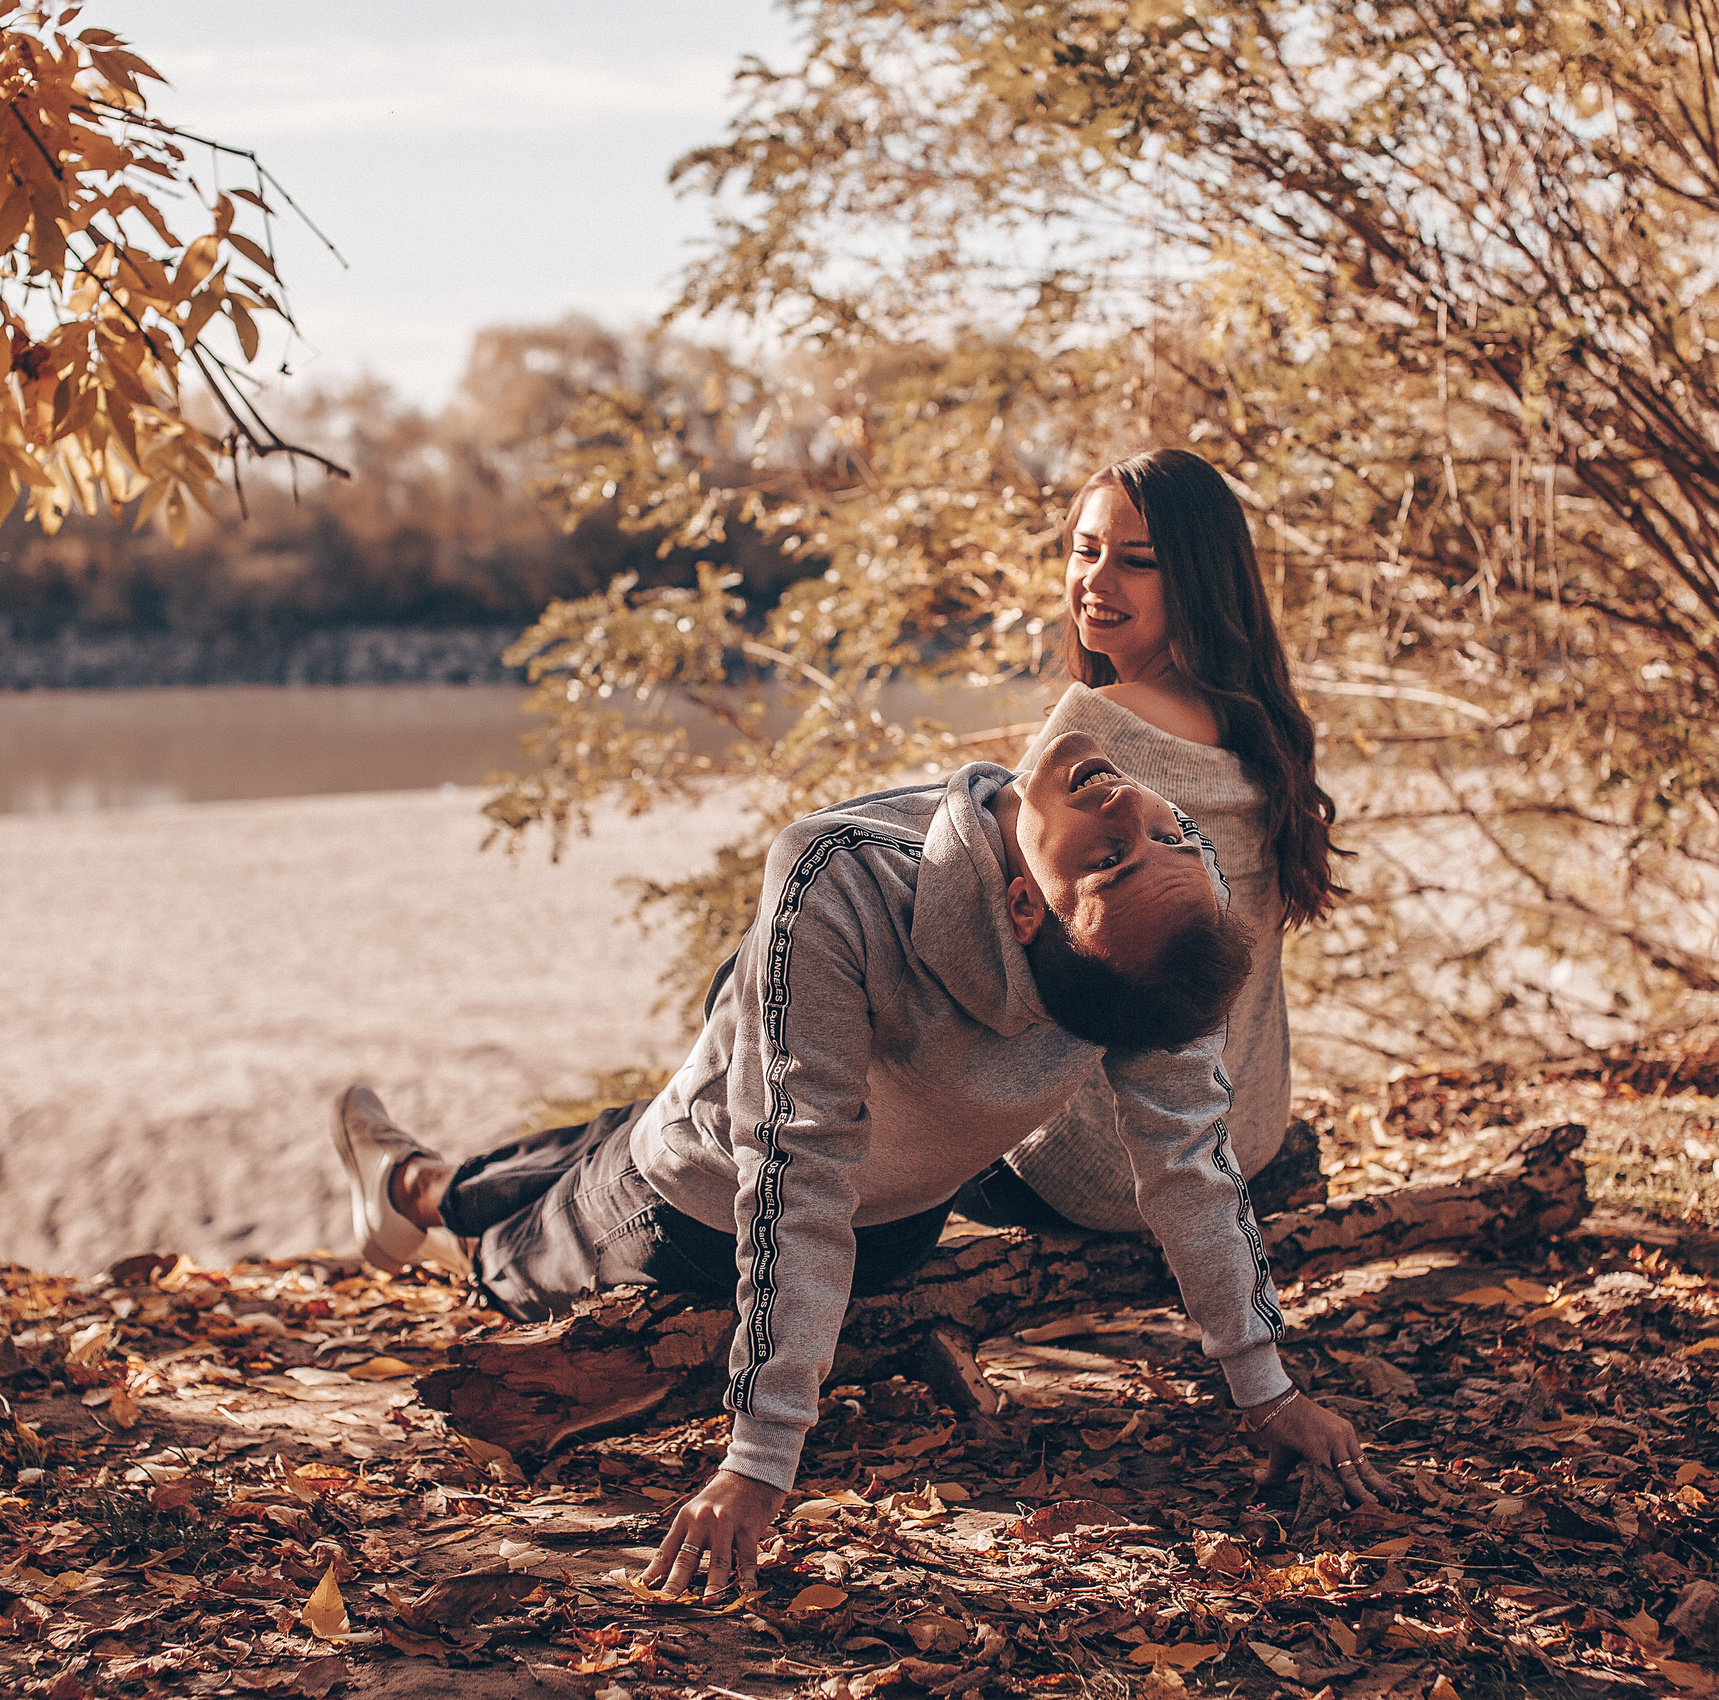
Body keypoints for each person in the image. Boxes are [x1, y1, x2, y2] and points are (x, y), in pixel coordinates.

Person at [331, 724, 1394, 1605]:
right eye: (1160, 835)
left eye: (1113, 858)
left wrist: (758, 1460)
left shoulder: (1143, 947)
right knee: (623, 1129)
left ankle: (415, 1194)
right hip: (748, 1138)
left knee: (521, 1247)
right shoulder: (843, 874)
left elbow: (1187, 1170)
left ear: (1029, 912)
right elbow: (797, 1146)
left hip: (692, 1216)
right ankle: (420, 1177)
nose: (1136, 813)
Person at [960, 447, 1346, 1237]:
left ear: (1198, 581)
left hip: (1098, 1167)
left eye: (1137, 561)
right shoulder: (1261, 727)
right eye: (1085, 548)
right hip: (1245, 1135)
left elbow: (976, 919)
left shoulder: (1097, 728)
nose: (1096, 582)